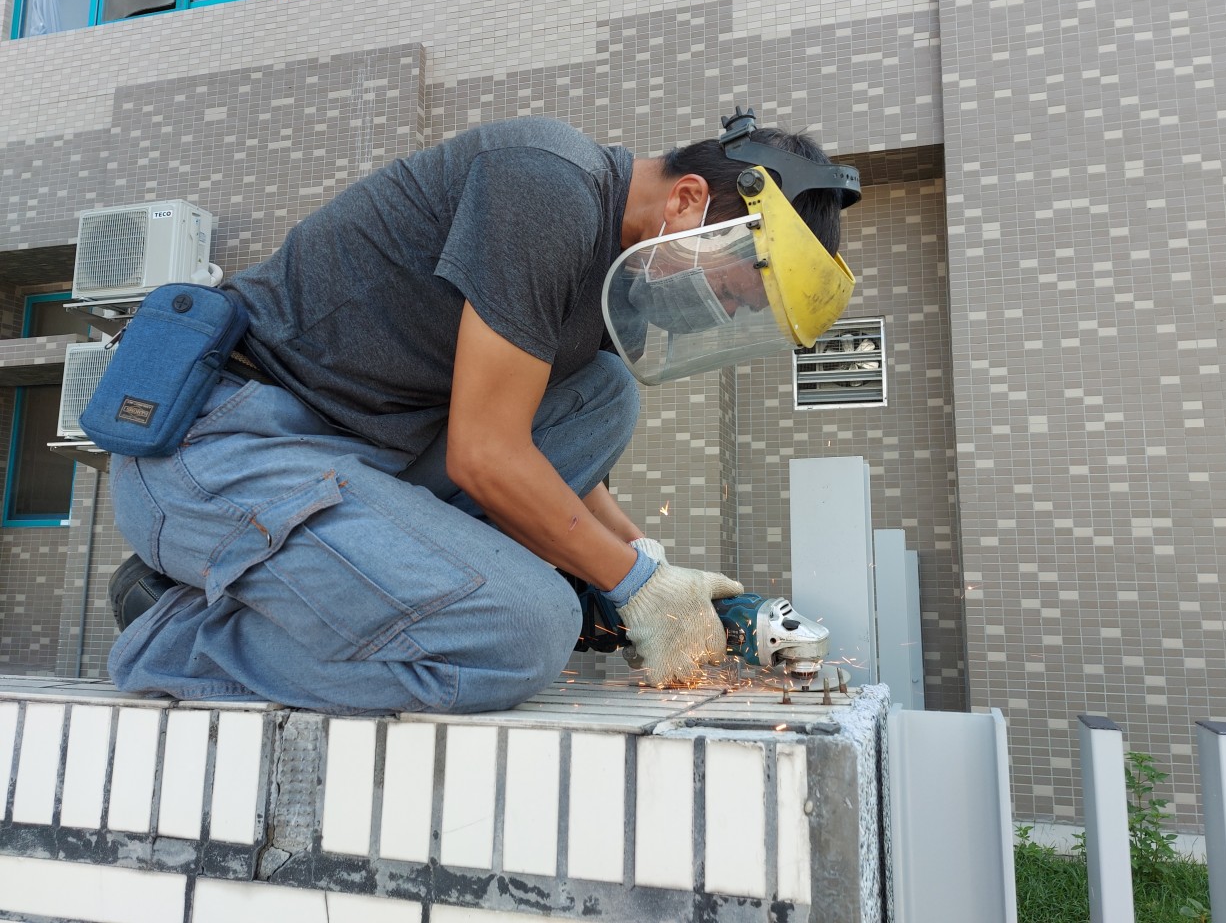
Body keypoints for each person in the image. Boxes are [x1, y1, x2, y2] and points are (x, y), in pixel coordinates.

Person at [104, 108, 860, 714]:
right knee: (521, 634)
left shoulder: (605, 271)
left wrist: (651, 565)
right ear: (688, 199)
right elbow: (486, 453)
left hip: (360, 458)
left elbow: (545, 453)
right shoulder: (544, 184)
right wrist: (634, 585)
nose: (714, 312)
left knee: (601, 393)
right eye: (726, 289)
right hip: (222, 451)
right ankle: (179, 631)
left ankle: (312, 580)